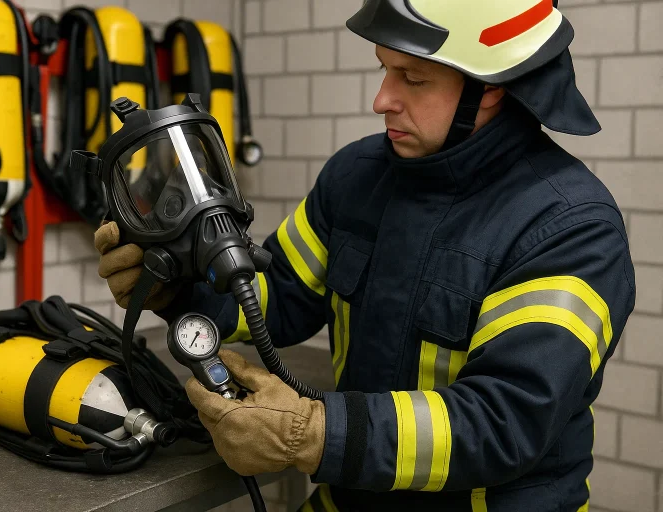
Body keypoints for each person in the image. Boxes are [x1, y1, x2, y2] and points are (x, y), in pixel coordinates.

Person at [93, 1, 636, 510]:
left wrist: (313, 434)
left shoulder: (570, 227)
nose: (382, 99)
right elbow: (276, 295)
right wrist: (179, 287)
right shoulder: (355, 177)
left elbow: (504, 421)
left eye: (413, 79)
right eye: (385, 68)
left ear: (490, 87)